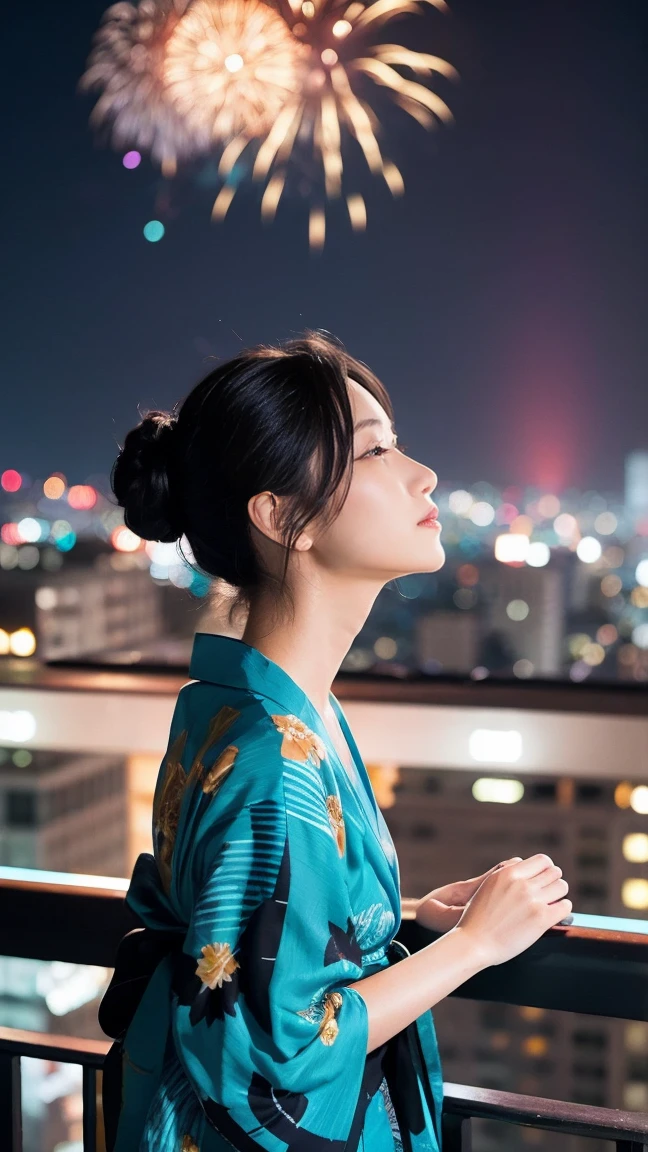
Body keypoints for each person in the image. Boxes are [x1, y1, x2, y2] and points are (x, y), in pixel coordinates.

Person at [100, 331, 572, 1152]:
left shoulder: (248, 707)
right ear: (284, 517)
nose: (422, 474)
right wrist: (472, 946)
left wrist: (406, 920)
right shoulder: (270, 757)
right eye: (377, 452)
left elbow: (250, 939)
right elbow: (276, 1052)